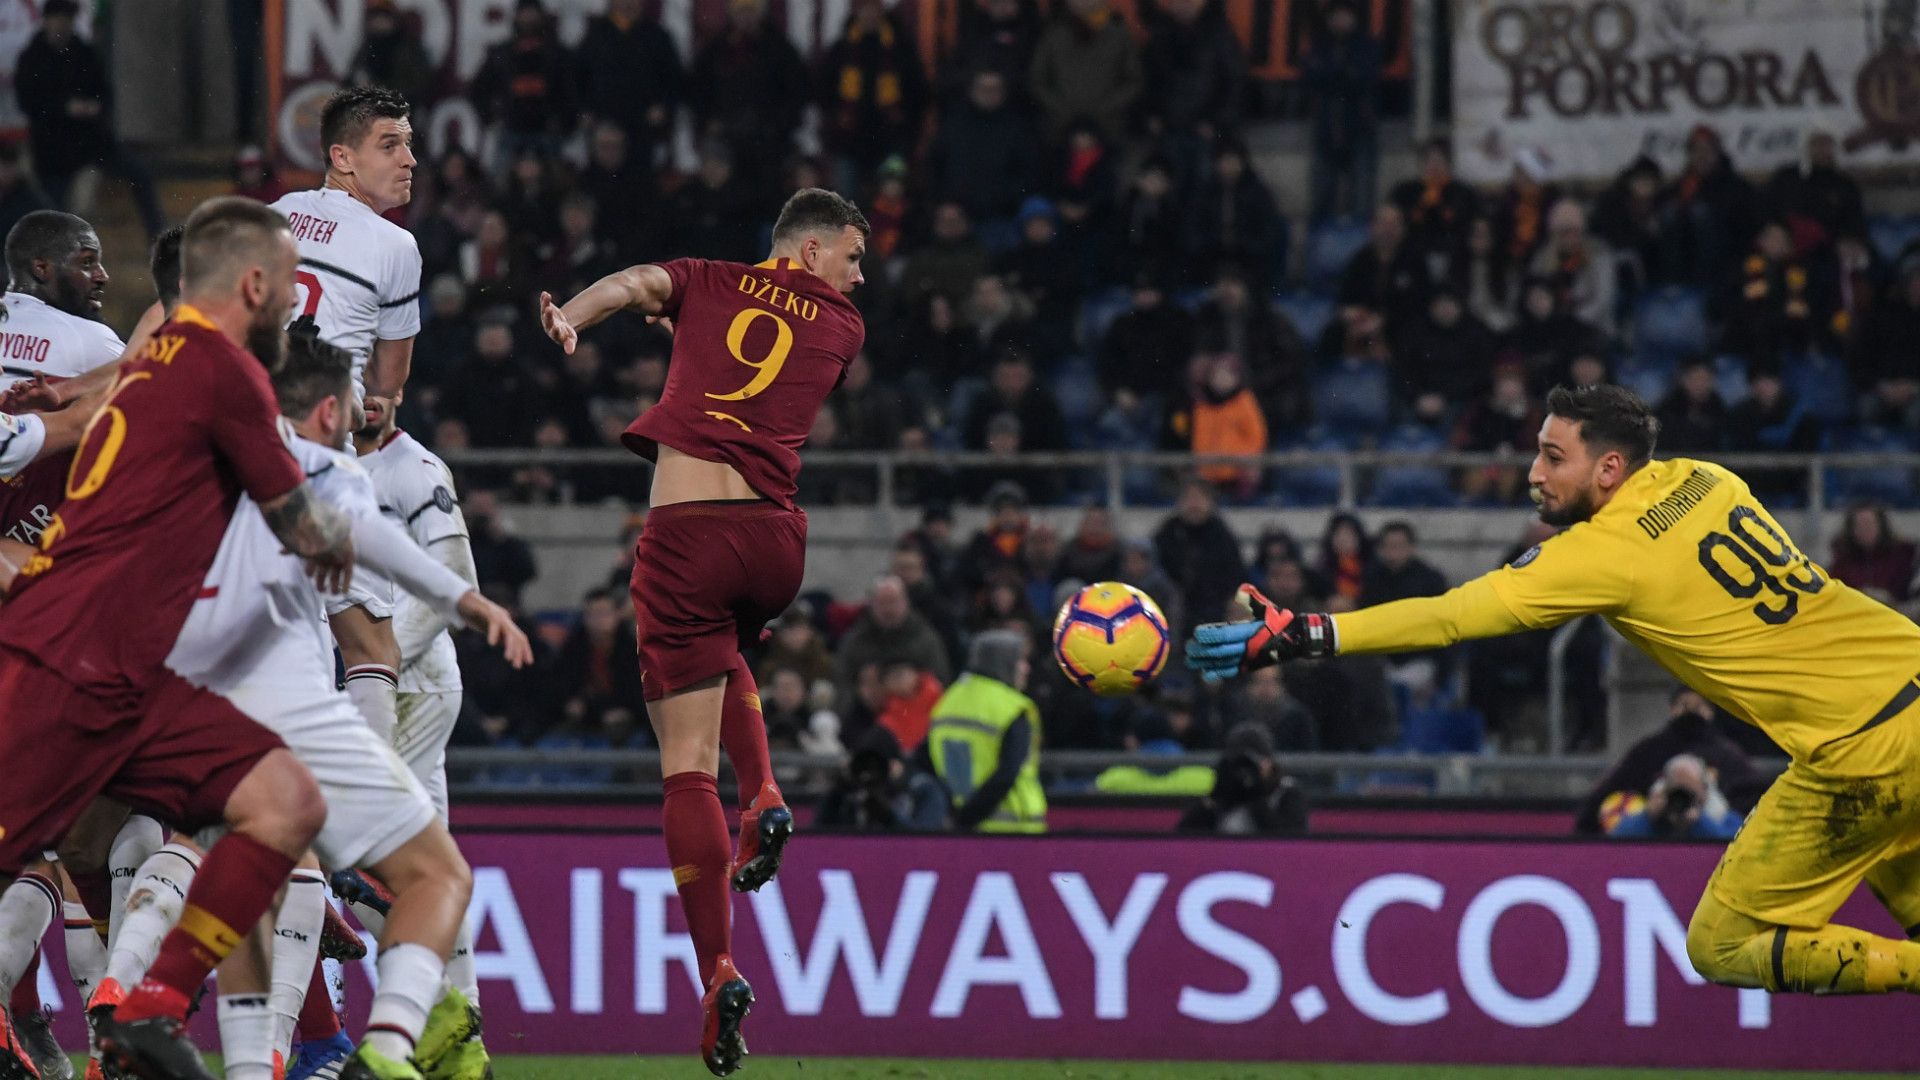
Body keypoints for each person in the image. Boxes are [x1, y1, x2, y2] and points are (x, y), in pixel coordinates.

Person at [1188, 383, 1920, 1000]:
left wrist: (1313, 633)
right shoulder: (1708, 477)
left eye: (1552, 456)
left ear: (1608, 467)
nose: (1533, 472)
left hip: (1860, 751)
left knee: (1722, 944)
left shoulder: (1602, 554)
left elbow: (1450, 617)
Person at [0, 196, 352, 1079]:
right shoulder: (210, 376)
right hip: (66, 662)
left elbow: (79, 420)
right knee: (94, 848)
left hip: (135, 675)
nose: (300, 305)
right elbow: (305, 531)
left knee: (279, 806)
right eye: (289, 289)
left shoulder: (142, 368)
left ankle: (137, 1011)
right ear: (255, 286)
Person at [539, 187, 868, 1077]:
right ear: (809, 253)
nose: (858, 276)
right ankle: (762, 788)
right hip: (776, 541)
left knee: (684, 769)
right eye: (852, 257)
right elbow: (760, 355)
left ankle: (717, 966)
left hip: (687, 537)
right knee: (723, 653)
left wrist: (571, 317)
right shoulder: (843, 330)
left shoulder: (703, 280)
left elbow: (632, 284)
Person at [148, 326, 529, 1080]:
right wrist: (461, 605)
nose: (370, 399)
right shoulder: (335, 474)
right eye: (359, 387)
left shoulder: (223, 462)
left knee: (240, 859)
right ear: (332, 405)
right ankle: (402, 1042)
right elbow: (375, 632)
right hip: (329, 696)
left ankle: (160, 1006)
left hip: (189, 691)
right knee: (412, 872)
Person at [354, 385, 496, 1071]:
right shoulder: (320, 461)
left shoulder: (415, 469)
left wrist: (379, 661)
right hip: (389, 683)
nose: (371, 397)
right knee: (430, 862)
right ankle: (462, 1039)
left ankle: (435, 1008)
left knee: (371, 858)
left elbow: (456, 579)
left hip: (411, 684)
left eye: (386, 383)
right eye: (359, 382)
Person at [12, 0, 164, 237]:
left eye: (67, 20)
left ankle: (157, 237)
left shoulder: (83, 53)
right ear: (47, 21)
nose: (62, 25)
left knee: (140, 173)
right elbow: (29, 102)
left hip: (91, 142)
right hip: (53, 150)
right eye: (58, 19)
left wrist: (93, 107)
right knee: (55, 213)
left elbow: (104, 93)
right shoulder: (32, 59)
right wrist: (65, 108)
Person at [1575, 687, 1766, 834]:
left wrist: (1702, 817)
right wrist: (1650, 814)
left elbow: (1746, 816)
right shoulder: (1649, 751)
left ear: (1711, 711)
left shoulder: (1728, 756)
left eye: (1699, 705)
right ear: (1672, 708)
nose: (1691, 711)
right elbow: (1602, 809)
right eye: (1683, 704)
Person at [927, 630, 1046, 832]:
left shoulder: (947, 701)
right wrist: (967, 817)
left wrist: (958, 819)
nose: (1027, 669)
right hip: (1014, 831)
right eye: (1021, 661)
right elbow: (1007, 774)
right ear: (1003, 662)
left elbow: (929, 763)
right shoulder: (1012, 707)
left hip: (958, 829)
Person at [1301, 0, 1380, 222]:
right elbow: (1309, 78)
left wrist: (1332, 75)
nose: (1340, 21)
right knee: (1320, 200)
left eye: (1345, 15)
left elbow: (1363, 79)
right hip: (1325, 133)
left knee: (1362, 202)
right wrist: (1340, 74)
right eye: (1335, 16)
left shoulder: (1366, 45)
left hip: (1360, 132)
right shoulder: (1319, 46)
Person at [1177, 721, 1309, 834]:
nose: (1245, 769)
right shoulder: (1228, 793)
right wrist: (1215, 797)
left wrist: (1257, 795)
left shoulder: (1287, 791)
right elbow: (1183, 838)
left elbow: (1291, 842)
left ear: (1269, 761)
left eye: (1252, 762)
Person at [1605, 753, 1745, 840]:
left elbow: (1732, 847)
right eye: (1677, 790)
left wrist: (1699, 822)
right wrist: (1648, 817)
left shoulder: (1723, 816)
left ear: (1704, 789)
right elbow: (1616, 841)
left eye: (1689, 791)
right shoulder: (1653, 816)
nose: (1681, 798)